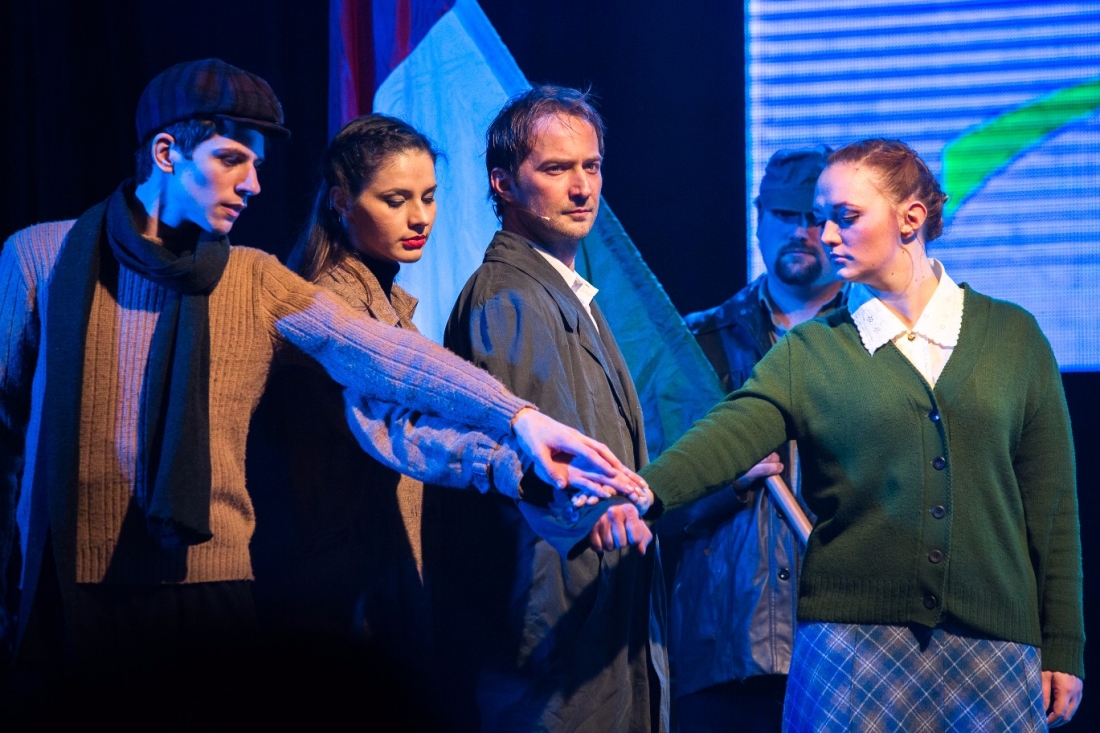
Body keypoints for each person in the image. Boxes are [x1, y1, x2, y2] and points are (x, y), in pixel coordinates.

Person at [0, 59, 647, 709]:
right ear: (166, 153)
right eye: (231, 159)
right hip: (82, 584)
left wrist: (518, 420)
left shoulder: (255, 280)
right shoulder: (40, 256)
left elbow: (391, 360)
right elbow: (6, 426)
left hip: (214, 586)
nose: (253, 184)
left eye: (256, 164)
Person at [634, 139, 1084, 731]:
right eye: (822, 218)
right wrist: (638, 492)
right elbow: (725, 435)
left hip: (993, 648)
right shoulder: (813, 349)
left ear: (910, 218)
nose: (825, 235)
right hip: (850, 651)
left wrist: (1063, 644)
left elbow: (1051, 509)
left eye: (845, 217)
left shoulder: (1014, 338)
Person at [438, 86, 666, 732]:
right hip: (553, 635)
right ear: (503, 183)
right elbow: (542, 468)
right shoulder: (510, 295)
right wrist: (601, 507)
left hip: (587, 615)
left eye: (591, 166)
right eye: (556, 168)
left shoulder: (560, 290)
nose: (581, 187)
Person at [662, 145, 843, 732]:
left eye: (815, 217)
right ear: (759, 218)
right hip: (723, 650)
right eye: (785, 214)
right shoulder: (693, 347)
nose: (801, 231)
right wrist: (722, 478)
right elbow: (645, 498)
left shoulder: (882, 342)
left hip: (849, 649)